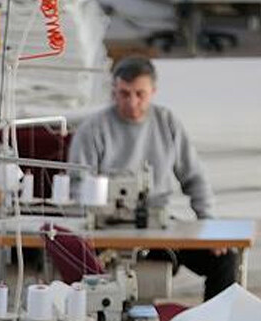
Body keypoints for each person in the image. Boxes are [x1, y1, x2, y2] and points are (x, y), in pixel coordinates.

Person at [68, 55, 236, 301]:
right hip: (110, 230)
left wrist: (208, 223)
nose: (132, 102)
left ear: (153, 91)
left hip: (160, 225)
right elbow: (78, 185)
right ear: (113, 90)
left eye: (140, 94)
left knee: (224, 259)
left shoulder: (167, 122)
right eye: (124, 94)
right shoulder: (93, 129)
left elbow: (195, 178)